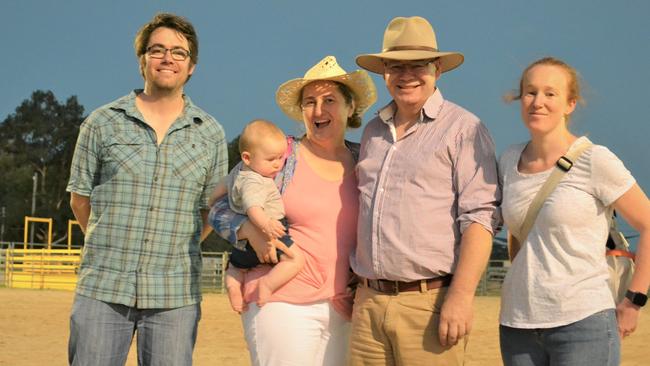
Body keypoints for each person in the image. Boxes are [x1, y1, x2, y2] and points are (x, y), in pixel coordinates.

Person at [66, 13, 227, 366]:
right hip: (103, 288)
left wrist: (169, 248)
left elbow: (210, 211)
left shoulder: (210, 133)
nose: (167, 58)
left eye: (178, 52)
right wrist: (112, 241)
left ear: (192, 67)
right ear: (142, 61)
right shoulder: (101, 122)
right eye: (157, 50)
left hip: (175, 294)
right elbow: (80, 200)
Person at [349, 16, 501, 365]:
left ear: (437, 69)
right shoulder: (372, 130)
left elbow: (481, 217)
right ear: (383, 71)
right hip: (368, 303)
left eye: (418, 65)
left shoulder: (464, 129)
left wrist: (460, 297)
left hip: (429, 304)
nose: (406, 75)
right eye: (396, 66)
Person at [209, 55, 377, 365]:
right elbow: (219, 206)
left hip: (345, 306)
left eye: (330, 100)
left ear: (350, 107)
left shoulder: (367, 160)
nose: (318, 110)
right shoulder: (282, 155)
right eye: (309, 102)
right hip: (281, 299)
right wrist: (247, 231)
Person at [498, 57, 650, 366]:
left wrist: (634, 301)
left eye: (550, 93)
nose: (537, 102)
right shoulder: (508, 159)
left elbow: (648, 223)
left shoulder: (595, 160)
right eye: (530, 92)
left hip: (584, 323)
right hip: (516, 326)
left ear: (570, 104)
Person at [208, 119, 305, 313]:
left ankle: (234, 286)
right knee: (296, 260)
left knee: (236, 266)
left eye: (280, 157)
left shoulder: (238, 171)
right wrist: (266, 225)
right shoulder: (255, 181)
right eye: (271, 159)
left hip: (241, 242)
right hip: (268, 231)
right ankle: (267, 285)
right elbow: (253, 208)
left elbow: (220, 189)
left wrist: (213, 201)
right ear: (247, 157)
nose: (278, 164)